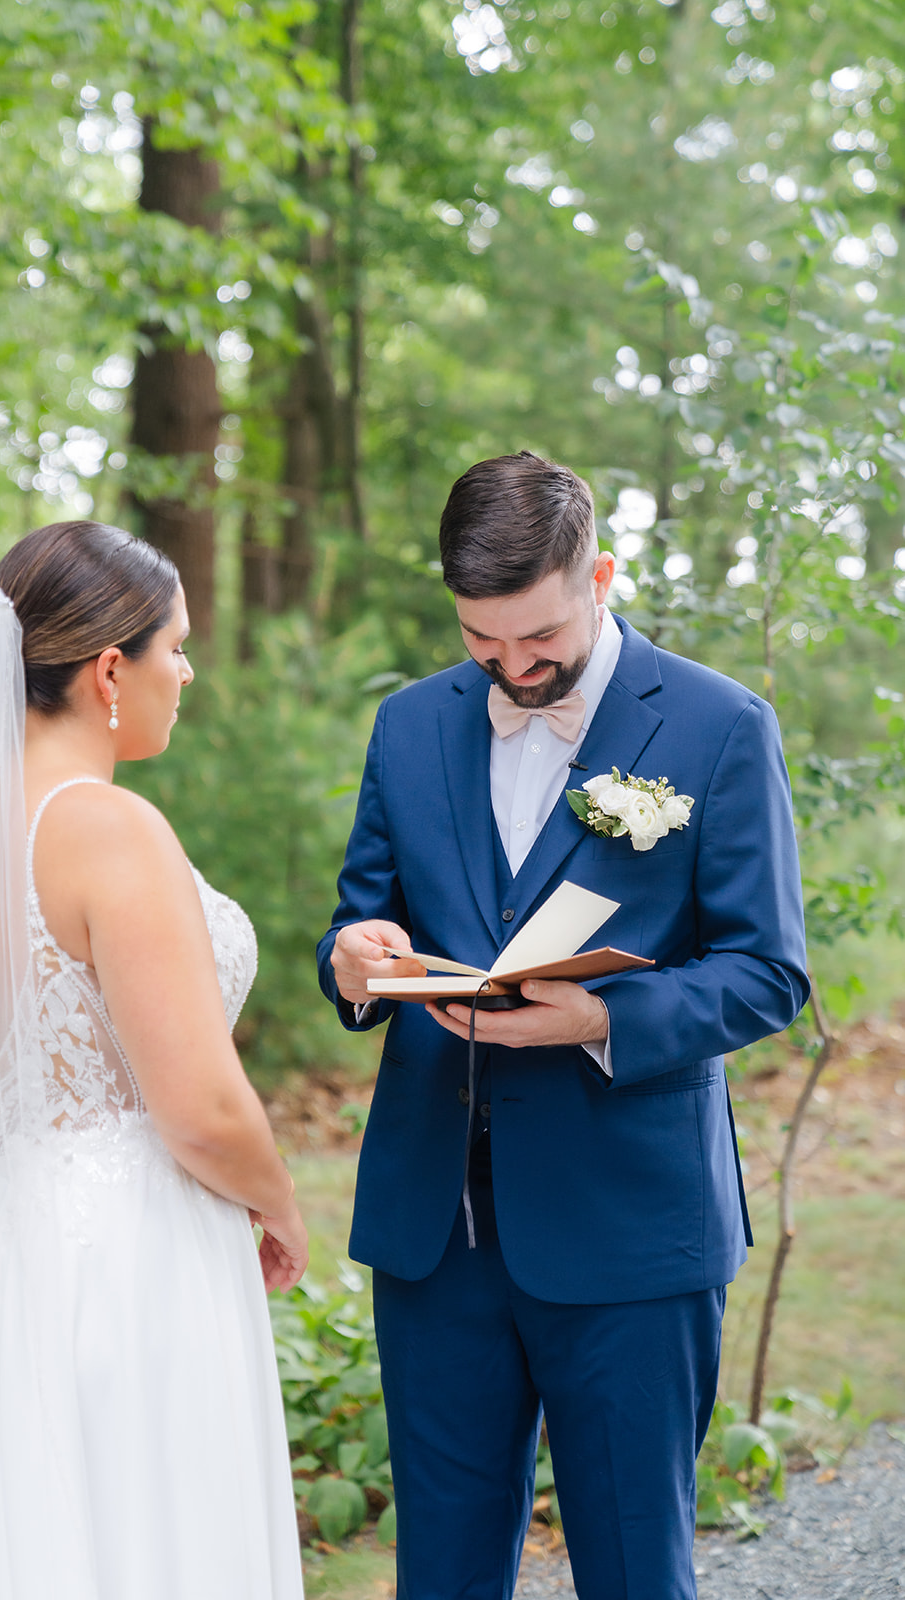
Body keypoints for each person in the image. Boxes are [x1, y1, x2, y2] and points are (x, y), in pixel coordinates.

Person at [317, 452, 809, 1600]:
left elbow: (765, 971)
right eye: (482, 642)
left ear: (600, 572)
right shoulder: (406, 726)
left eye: (536, 637)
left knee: (636, 1569)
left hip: (630, 1230)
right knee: (438, 1574)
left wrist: (597, 1016)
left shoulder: (718, 725)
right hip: (433, 1227)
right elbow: (362, 917)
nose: (512, 666)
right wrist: (353, 957)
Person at [0, 521, 306, 1597]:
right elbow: (197, 1107)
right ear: (108, 669)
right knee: (145, 1532)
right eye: (174, 647)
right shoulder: (106, 827)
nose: (185, 672)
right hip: (123, 1255)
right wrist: (278, 1200)